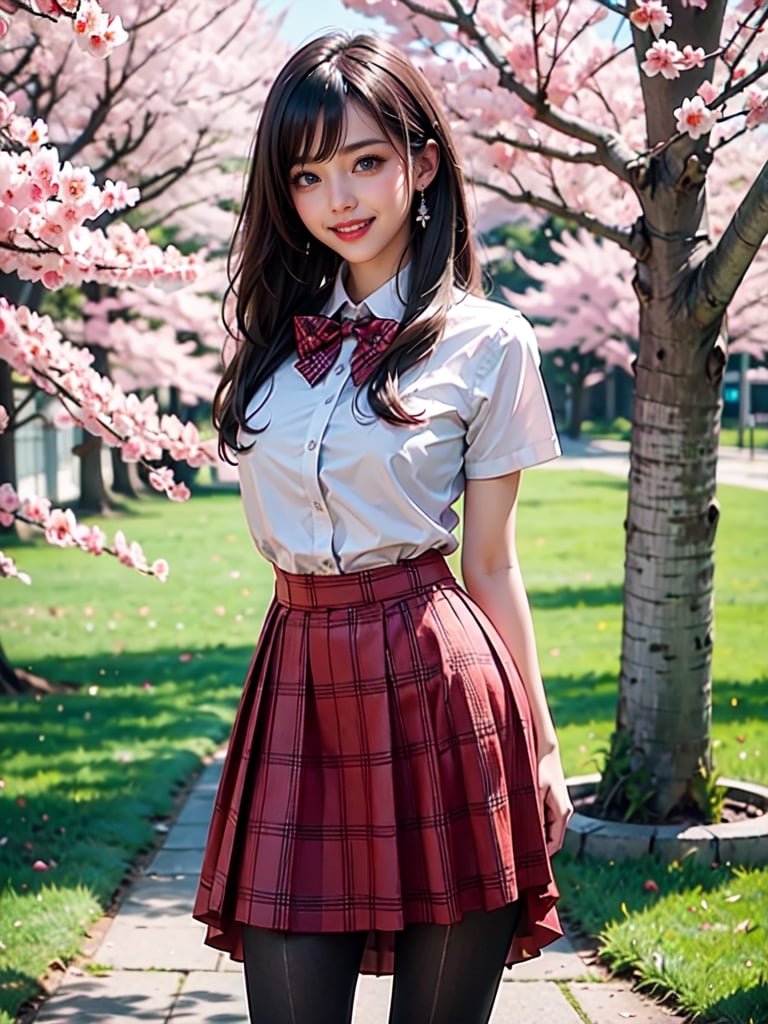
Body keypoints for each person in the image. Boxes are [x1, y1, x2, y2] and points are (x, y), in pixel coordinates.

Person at [193, 30, 572, 1024]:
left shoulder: (489, 343)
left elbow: (490, 561)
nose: (341, 199)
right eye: (309, 174)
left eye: (365, 161)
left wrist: (538, 745)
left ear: (423, 162)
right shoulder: (271, 337)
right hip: (299, 673)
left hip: (437, 682)